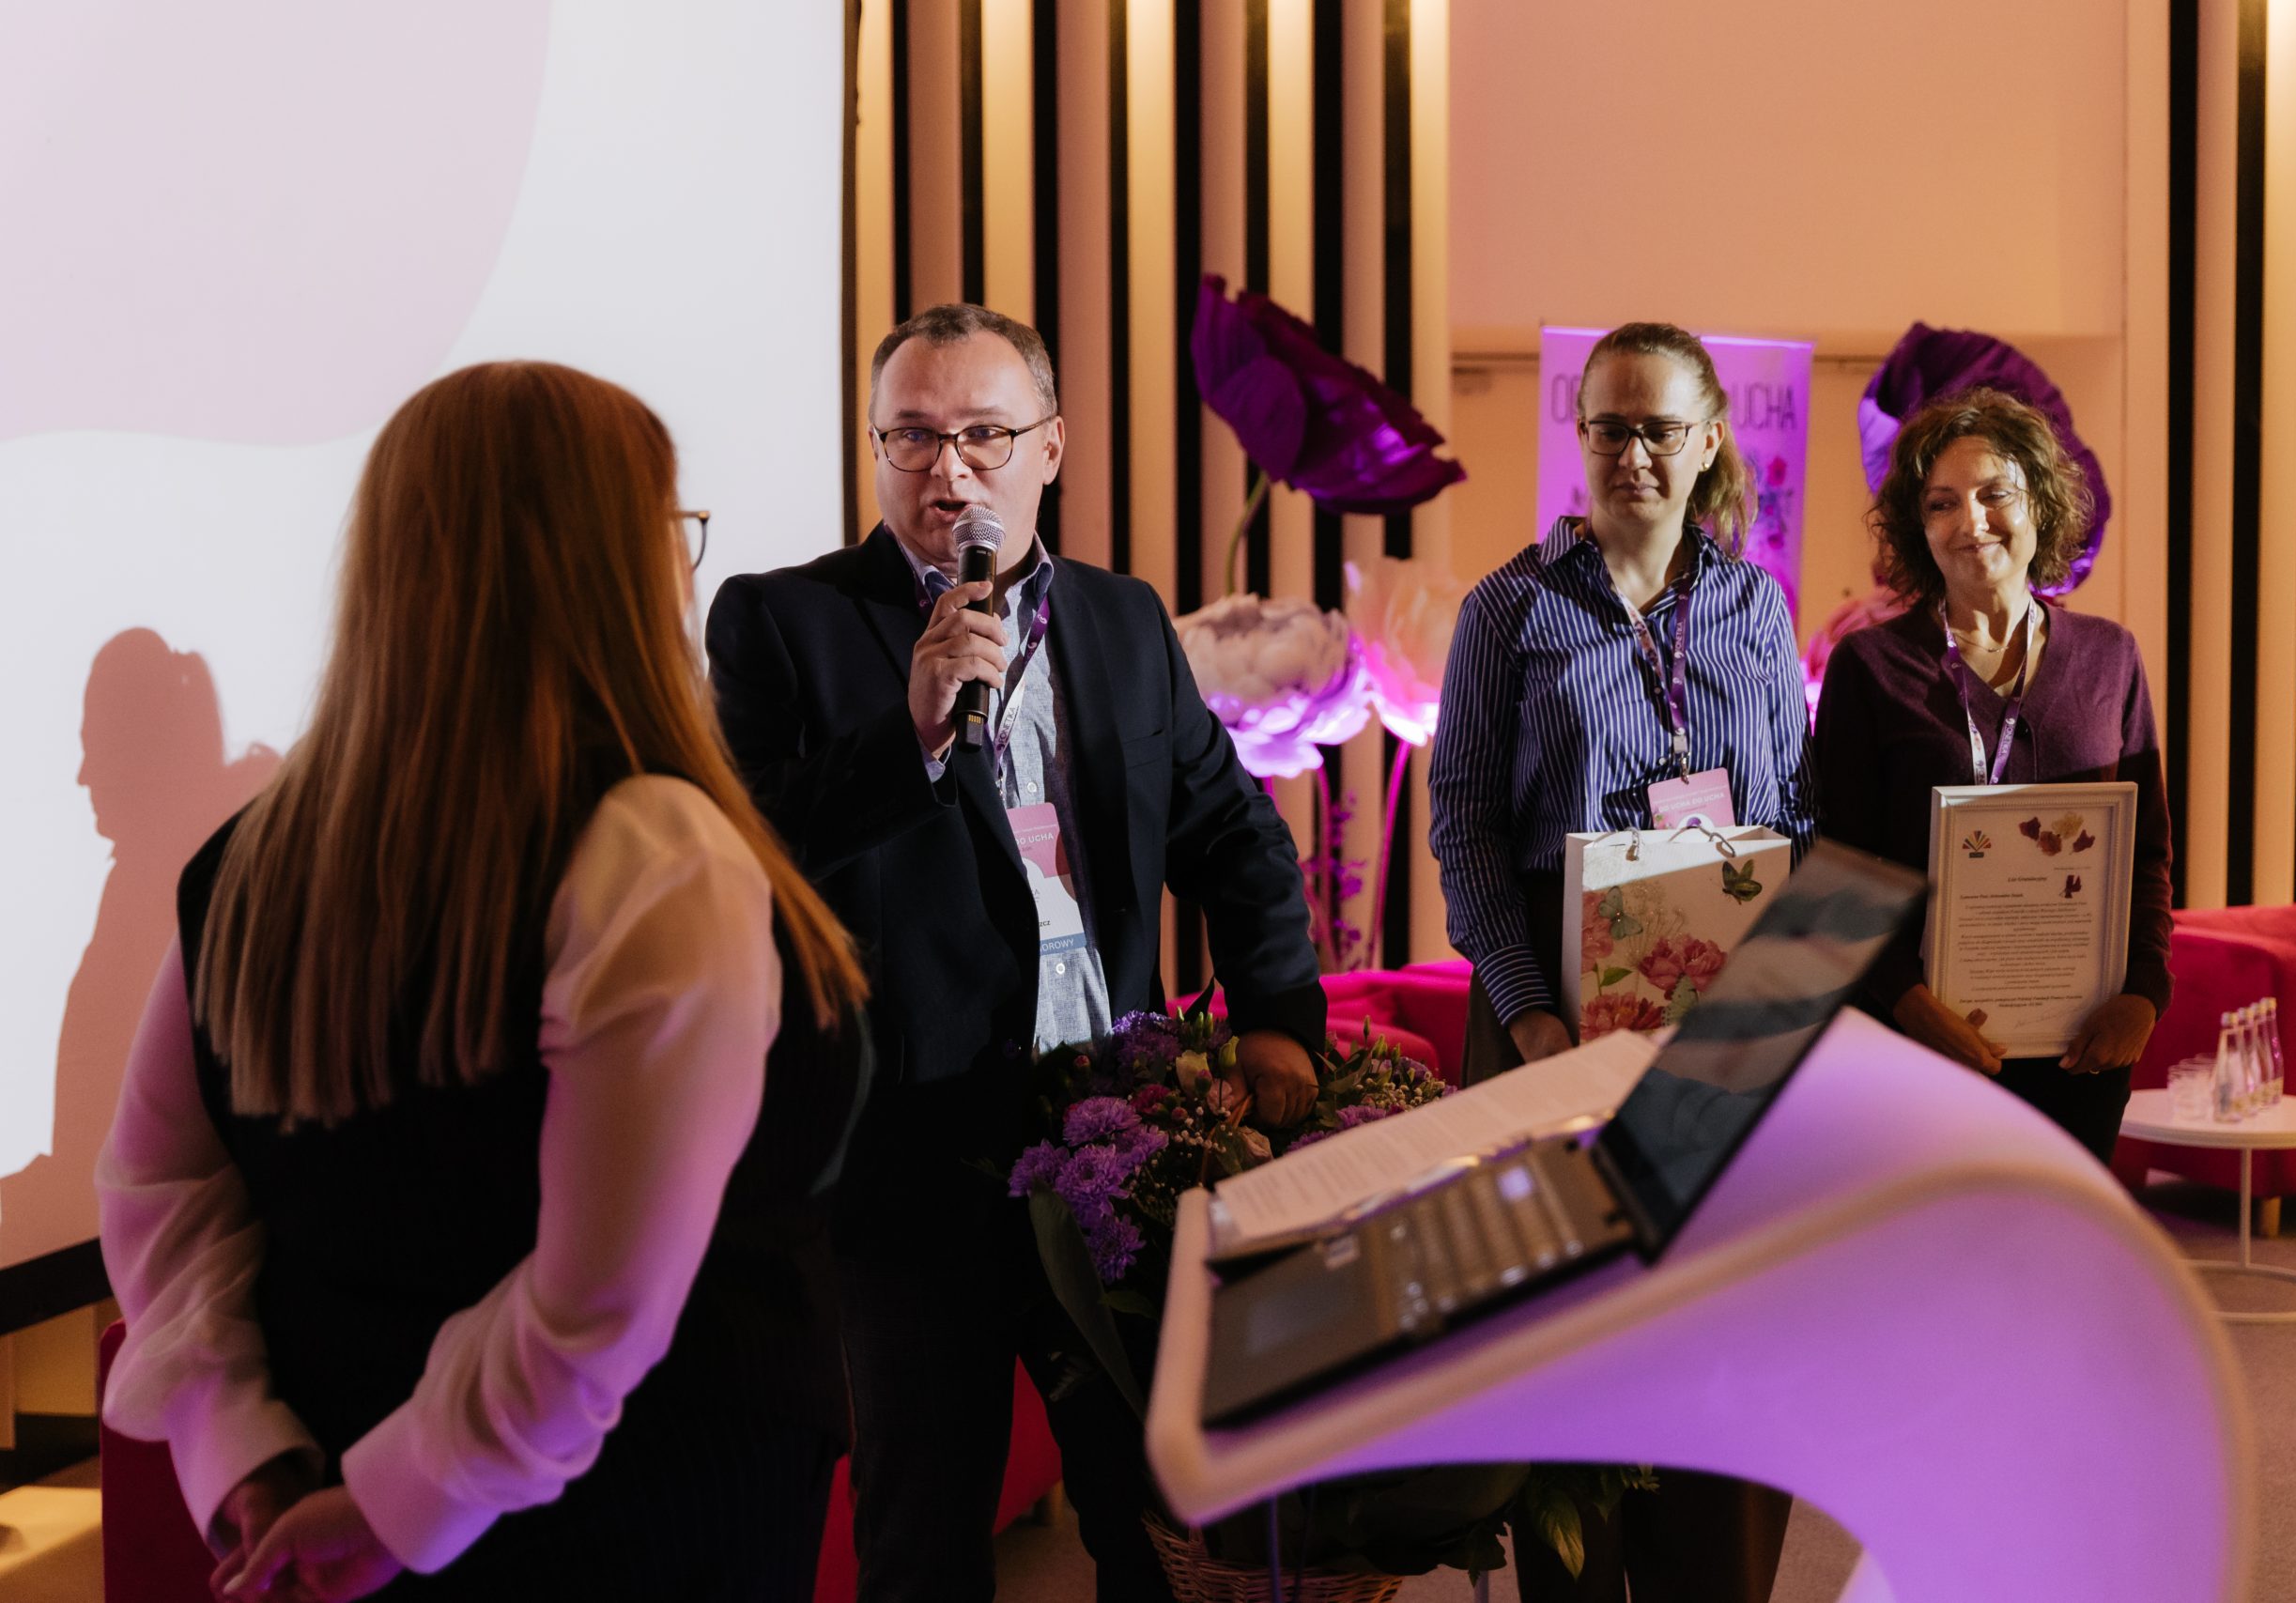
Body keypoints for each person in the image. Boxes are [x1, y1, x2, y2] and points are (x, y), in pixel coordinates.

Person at [97, 361, 871, 1601]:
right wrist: (403, 1501)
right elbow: (597, 1303)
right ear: (610, 565)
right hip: (647, 1517)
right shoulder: (653, 849)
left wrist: (245, 1449)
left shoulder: (246, 859)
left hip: (339, 1493)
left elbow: (160, 1190)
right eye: (671, 528)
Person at [706, 302, 1325, 1602]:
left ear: (1052, 445)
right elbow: (747, 862)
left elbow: (1232, 835)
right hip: (912, 1166)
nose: (949, 472)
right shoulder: (781, 622)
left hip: (1114, 1140)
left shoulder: (1124, 622)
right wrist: (913, 736)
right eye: (913, 436)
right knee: (924, 1540)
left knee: (1150, 1526)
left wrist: (1277, 1014)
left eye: (984, 434)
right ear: (875, 449)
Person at [1426, 321, 1811, 1603]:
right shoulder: (1507, 609)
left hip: (1719, 1009)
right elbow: (1465, 826)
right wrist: (1530, 1017)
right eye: (1609, 427)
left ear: (1708, 443)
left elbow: (1794, 815)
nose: (1633, 453)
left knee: (1721, 1355)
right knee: (1570, 1368)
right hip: (1549, 1012)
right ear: (1578, 435)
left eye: (1659, 428)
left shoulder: (1757, 609)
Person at [1812, 386, 2172, 1164]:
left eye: (1994, 494)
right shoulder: (1870, 668)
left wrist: (2145, 994)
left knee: (2063, 1238)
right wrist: (1909, 1004)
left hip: (2079, 1047)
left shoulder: (2111, 657)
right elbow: (1838, 870)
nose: (1971, 521)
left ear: (2040, 501)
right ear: (1919, 528)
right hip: (1914, 1051)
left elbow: (2145, 854)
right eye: (1942, 503)